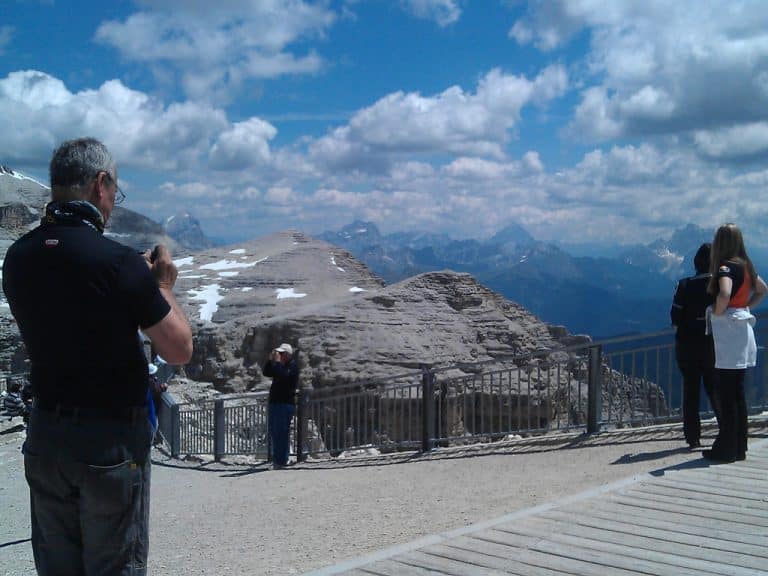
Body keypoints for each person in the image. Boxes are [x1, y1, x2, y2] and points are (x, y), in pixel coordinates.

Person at [2, 137, 193, 575]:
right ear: (100, 184)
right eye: (114, 193)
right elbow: (179, 348)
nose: (112, 204)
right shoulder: (119, 263)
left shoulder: (18, 258)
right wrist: (161, 285)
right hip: (108, 440)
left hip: (47, 435)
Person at [704, 223, 767, 463]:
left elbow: (724, 293)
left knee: (727, 394)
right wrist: (746, 307)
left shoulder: (725, 268)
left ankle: (726, 448)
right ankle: (740, 446)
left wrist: (720, 313)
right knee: (738, 394)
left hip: (728, 336)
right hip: (744, 331)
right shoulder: (747, 267)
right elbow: (763, 289)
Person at [670, 243, 717, 449]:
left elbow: (675, 317)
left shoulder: (684, 285)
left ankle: (692, 437)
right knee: (715, 389)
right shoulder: (719, 286)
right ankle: (725, 430)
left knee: (690, 392)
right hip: (712, 345)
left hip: (687, 346)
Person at [262, 343, 299, 468]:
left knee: (281, 432)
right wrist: (270, 360)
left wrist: (277, 363)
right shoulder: (280, 366)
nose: (280, 356)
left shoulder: (293, 366)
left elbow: (283, 377)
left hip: (285, 404)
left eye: (282, 354)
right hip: (275, 403)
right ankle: (278, 459)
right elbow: (266, 372)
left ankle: (281, 461)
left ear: (288, 355)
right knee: (275, 431)